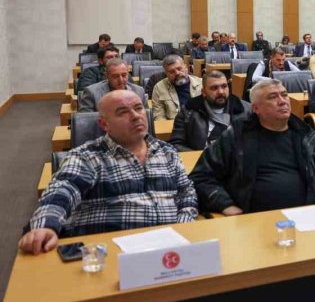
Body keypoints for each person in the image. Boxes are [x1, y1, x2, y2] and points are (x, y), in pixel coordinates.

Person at [18, 90, 197, 253]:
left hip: (169, 249)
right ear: (104, 124)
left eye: (138, 108)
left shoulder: (167, 152)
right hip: (111, 252)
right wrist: (46, 225)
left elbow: (186, 194)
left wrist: (182, 230)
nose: (135, 116)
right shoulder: (87, 156)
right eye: (122, 112)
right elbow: (63, 189)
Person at [190, 78, 315, 214]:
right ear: (256, 109)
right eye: (273, 97)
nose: (282, 101)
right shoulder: (237, 137)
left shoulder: (307, 136)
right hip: (252, 220)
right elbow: (201, 177)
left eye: (284, 95)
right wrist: (225, 205)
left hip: (308, 215)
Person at [169, 70, 251, 152]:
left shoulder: (246, 109)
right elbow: (176, 144)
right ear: (203, 92)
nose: (221, 92)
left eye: (224, 86)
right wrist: (201, 158)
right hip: (202, 161)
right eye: (214, 88)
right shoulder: (188, 111)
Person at [79, 57, 147, 112]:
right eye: (115, 76)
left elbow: (145, 118)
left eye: (124, 75)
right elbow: (87, 122)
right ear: (106, 76)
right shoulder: (91, 93)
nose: (121, 80)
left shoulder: (139, 91)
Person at [152, 54, 203, 120]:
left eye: (179, 68)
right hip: (172, 127)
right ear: (166, 74)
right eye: (171, 72)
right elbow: (159, 116)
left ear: (186, 67)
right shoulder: (159, 88)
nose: (177, 73)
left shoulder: (202, 83)